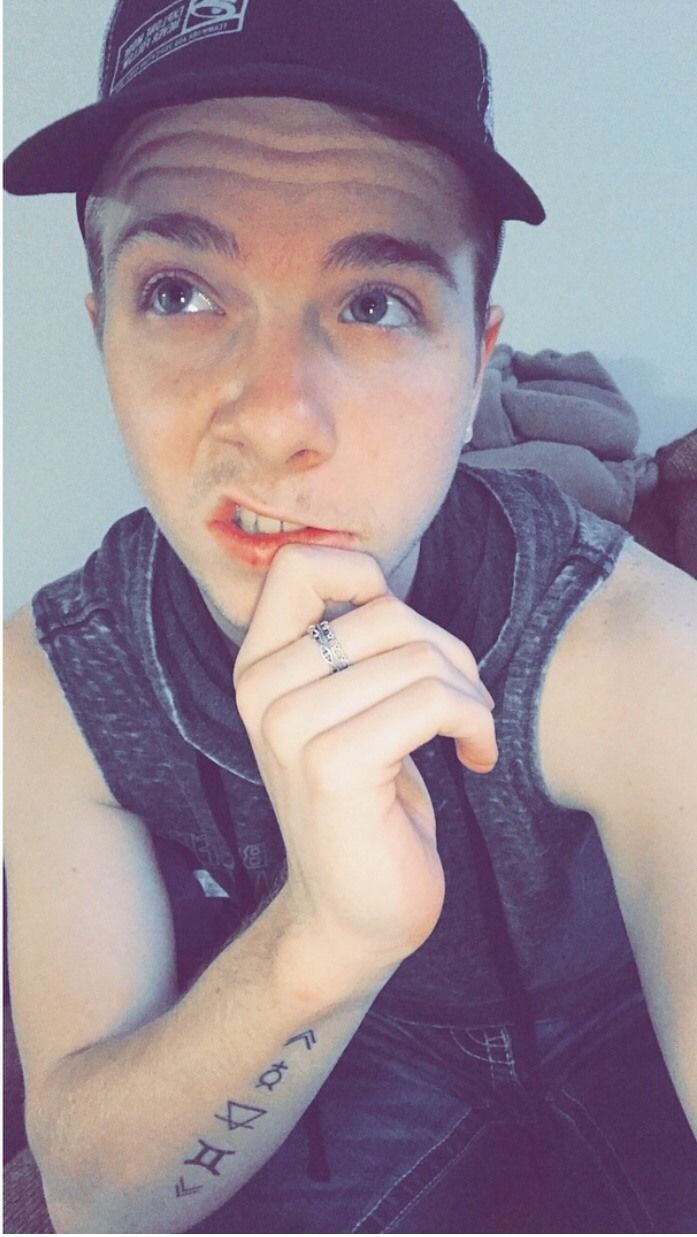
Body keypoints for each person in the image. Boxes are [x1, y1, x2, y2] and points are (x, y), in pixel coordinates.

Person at [4, 2, 696, 1232]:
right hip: (365, 1051)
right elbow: (96, 1200)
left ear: (476, 362)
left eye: (374, 303)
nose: (276, 418)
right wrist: (323, 938)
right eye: (179, 292)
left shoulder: (626, 635)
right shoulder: (58, 680)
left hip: (620, 1026)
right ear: (100, 327)